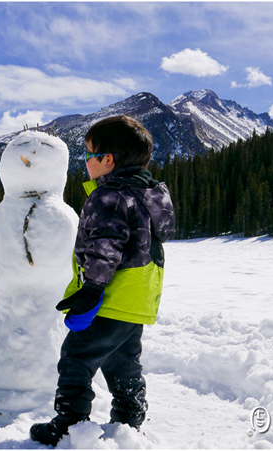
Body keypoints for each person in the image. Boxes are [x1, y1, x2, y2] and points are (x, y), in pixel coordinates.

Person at [30, 115, 176, 446]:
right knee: (122, 361)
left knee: (76, 357)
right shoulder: (147, 194)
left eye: (89, 156)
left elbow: (104, 246)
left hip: (111, 295)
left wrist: (91, 289)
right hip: (138, 299)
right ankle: (129, 418)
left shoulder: (109, 195)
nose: (86, 164)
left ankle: (69, 423)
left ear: (107, 160)